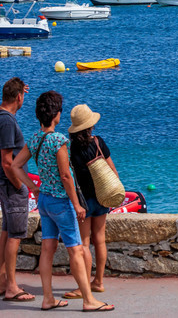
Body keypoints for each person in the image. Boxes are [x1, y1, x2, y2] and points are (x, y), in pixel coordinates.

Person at [16, 91, 111, 312]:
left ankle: (48, 298)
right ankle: (89, 300)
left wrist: (34, 188)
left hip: (45, 201)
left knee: (47, 249)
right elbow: (66, 176)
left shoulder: (35, 139)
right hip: (60, 202)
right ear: (57, 115)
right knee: (76, 250)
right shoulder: (59, 140)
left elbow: (15, 165)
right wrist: (77, 205)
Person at [0, 77, 33, 304]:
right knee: (15, 234)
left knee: (7, 230)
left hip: (3, 181)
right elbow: (7, 161)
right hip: (10, 182)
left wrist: (17, 87)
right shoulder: (6, 122)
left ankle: (1, 282)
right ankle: (12, 287)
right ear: (18, 98)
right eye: (23, 93)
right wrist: (19, 185)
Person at [66, 104, 118, 300]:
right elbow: (113, 171)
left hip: (84, 200)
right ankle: (99, 282)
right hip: (102, 196)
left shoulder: (72, 148)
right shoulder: (99, 142)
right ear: (90, 125)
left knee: (85, 243)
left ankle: (84, 287)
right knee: (100, 240)